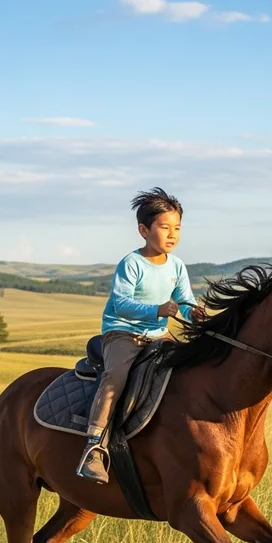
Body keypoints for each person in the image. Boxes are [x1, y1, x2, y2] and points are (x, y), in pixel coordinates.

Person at [76, 187, 205, 484]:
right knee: (115, 378)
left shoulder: (177, 265)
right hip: (122, 334)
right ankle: (94, 447)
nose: (172, 234)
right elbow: (121, 303)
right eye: (164, 227)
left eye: (177, 228)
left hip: (159, 337)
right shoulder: (131, 263)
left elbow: (184, 301)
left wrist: (193, 313)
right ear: (144, 230)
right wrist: (157, 309)